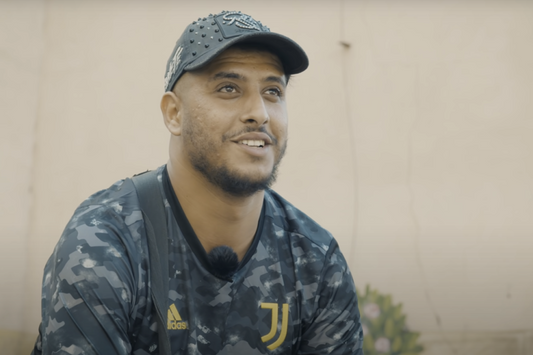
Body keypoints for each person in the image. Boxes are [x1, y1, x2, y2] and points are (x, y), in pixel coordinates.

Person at [32, 10, 363, 355]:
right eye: (228, 88)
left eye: (273, 91)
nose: (260, 112)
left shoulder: (315, 262)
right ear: (174, 114)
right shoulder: (104, 244)